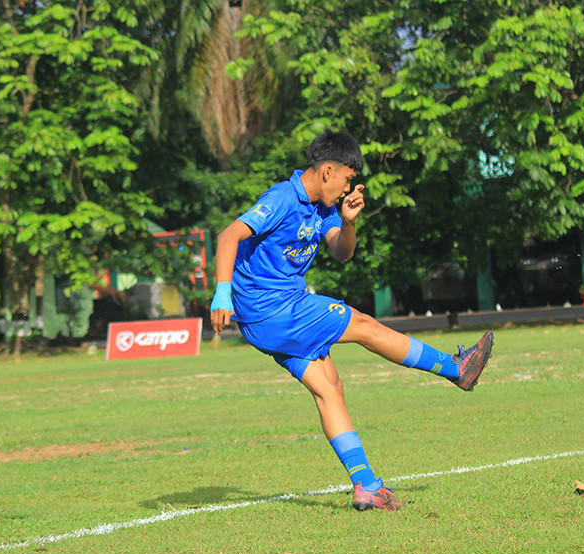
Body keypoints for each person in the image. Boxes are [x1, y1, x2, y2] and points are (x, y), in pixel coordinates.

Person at [209, 130, 493, 512]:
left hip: (272, 318)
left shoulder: (324, 209)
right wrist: (222, 293)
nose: (347, 189)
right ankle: (455, 368)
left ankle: (367, 486)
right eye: (347, 179)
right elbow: (228, 236)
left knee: (329, 388)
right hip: (272, 309)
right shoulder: (282, 198)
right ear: (328, 171)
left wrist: (349, 222)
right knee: (363, 325)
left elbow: (342, 253)